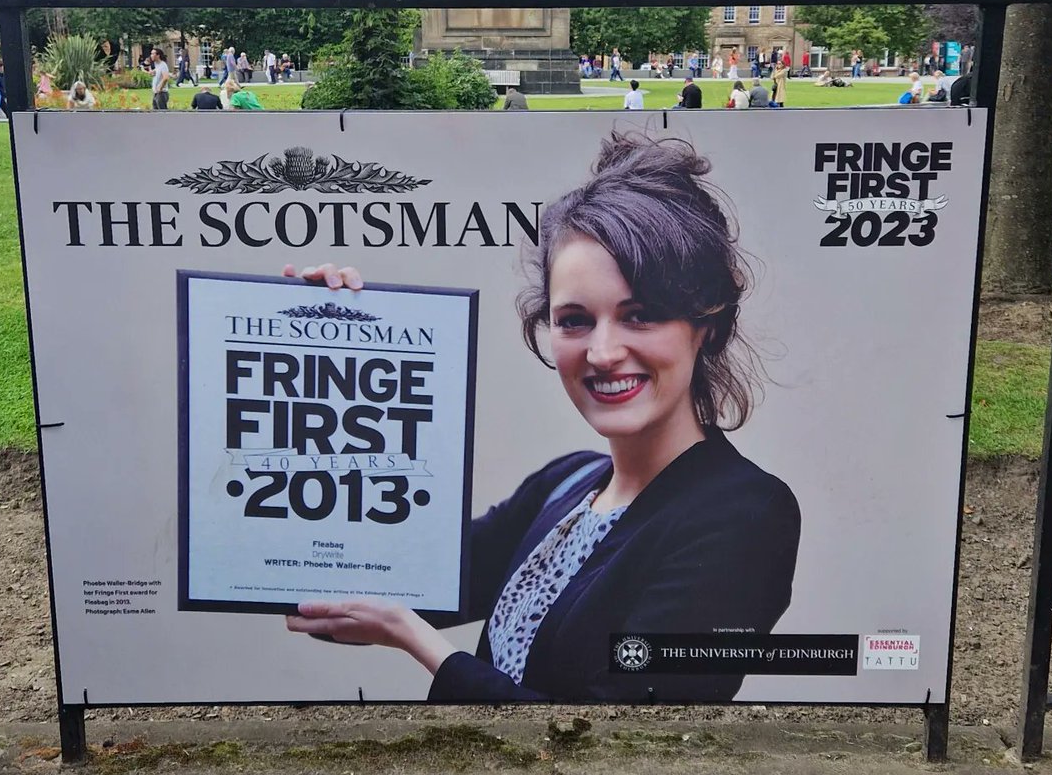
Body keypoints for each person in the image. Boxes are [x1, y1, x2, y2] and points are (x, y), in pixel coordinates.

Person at [282, 133, 801, 702]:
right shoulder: (565, 482)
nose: (603, 352)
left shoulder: (746, 514)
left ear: (707, 326)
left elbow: (615, 736)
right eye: (575, 320)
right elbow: (361, 587)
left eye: (640, 315)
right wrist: (327, 354)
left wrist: (418, 641)